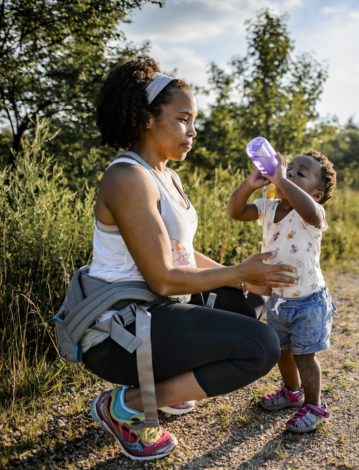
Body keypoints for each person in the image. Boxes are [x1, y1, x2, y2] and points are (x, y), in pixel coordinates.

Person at [82, 56, 298, 461]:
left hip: (155, 313)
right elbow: (163, 278)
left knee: (248, 303)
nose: (193, 131)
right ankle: (127, 406)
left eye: (194, 120)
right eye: (183, 119)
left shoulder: (166, 174)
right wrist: (239, 270)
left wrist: (243, 280)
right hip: (119, 331)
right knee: (261, 347)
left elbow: (180, 254)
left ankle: (168, 386)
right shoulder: (127, 177)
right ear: (148, 118)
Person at [227, 149, 337, 433]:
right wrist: (250, 186)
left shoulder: (312, 213)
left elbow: (309, 211)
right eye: (288, 171)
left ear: (318, 193)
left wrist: (282, 180)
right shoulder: (268, 207)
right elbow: (236, 211)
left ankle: (314, 405)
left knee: (304, 355)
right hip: (278, 301)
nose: (287, 175)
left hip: (309, 301)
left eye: (299, 174)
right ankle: (292, 392)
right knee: (282, 353)